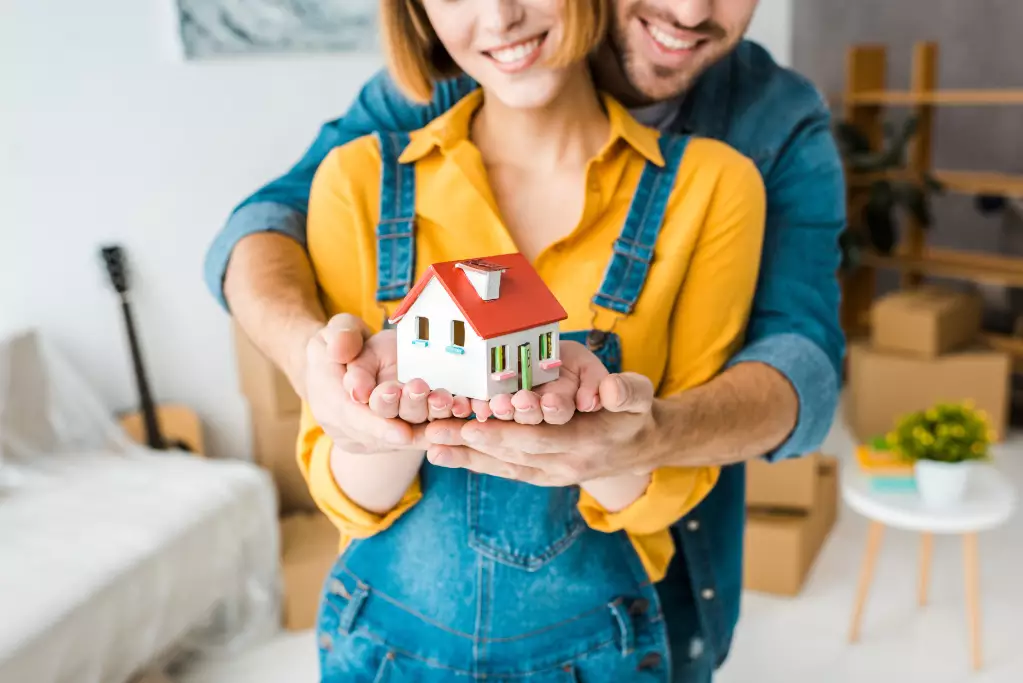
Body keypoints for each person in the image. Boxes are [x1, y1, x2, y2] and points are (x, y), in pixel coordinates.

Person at [204, 0, 846, 676]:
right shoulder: (362, 175)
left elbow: (788, 368)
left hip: (608, 646)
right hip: (385, 650)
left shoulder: (725, 173)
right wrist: (364, 405)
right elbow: (342, 485)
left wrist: (631, 438)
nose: (501, 16)